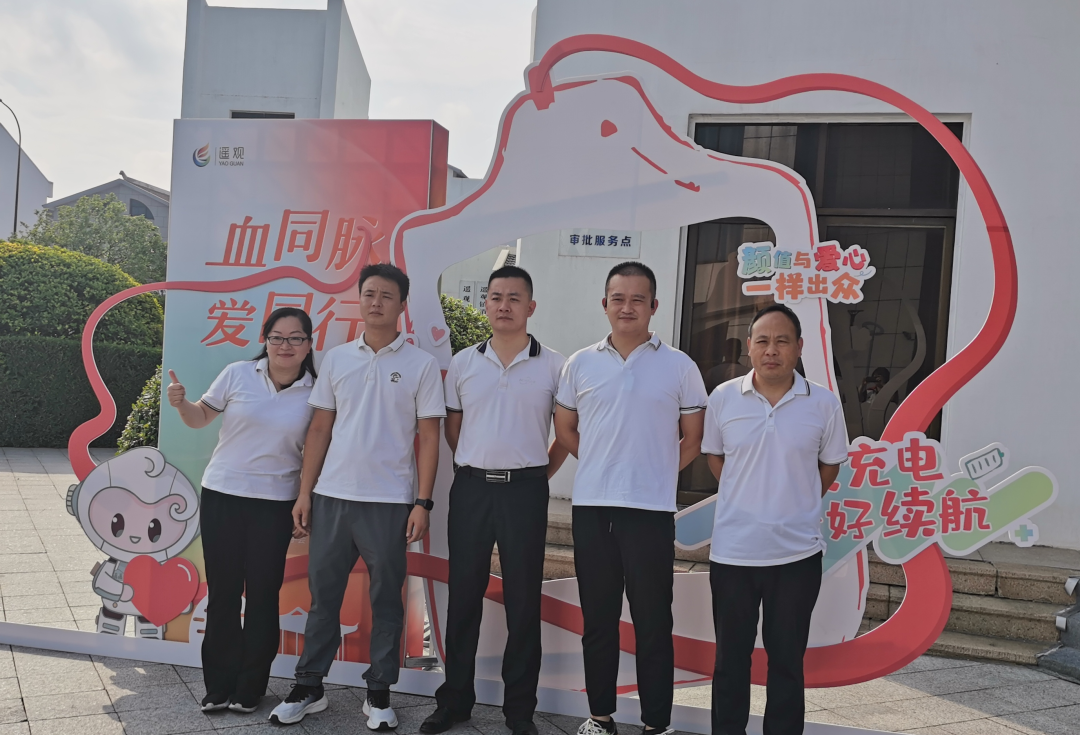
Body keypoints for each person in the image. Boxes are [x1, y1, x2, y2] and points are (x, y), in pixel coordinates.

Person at [269, 264, 445, 731]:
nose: (376, 302)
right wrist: (305, 493)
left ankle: (379, 692)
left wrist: (423, 502)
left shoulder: (421, 364)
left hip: (389, 502)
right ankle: (309, 687)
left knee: (386, 601)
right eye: (369, 294)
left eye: (386, 295)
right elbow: (320, 429)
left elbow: (430, 437)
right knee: (323, 599)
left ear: (402, 304)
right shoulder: (336, 358)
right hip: (331, 497)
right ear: (359, 300)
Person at [553, 261, 707, 735]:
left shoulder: (679, 366)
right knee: (598, 619)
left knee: (653, 622)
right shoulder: (580, 363)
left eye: (637, 299)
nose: (627, 307)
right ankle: (600, 717)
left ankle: (657, 723)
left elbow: (693, 438)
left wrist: (654, 473)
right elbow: (565, 427)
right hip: (593, 509)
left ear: (654, 306)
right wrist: (603, 463)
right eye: (618, 298)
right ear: (605, 304)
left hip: (650, 512)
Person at [421, 266, 568, 735]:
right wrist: (478, 464)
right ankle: (455, 701)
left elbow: (564, 434)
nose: (504, 305)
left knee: (524, 600)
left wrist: (536, 474)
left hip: (526, 491)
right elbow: (454, 428)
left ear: (531, 306)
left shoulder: (555, 365)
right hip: (472, 489)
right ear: (485, 303)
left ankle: (519, 710)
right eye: (496, 296)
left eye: (514, 298)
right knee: (464, 594)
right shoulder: (464, 362)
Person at [701, 303, 849, 735]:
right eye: (763, 341)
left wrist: (796, 499)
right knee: (730, 661)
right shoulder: (723, 397)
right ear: (749, 346)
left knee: (786, 662)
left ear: (799, 347)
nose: (771, 350)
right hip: (734, 554)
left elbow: (830, 465)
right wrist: (747, 494)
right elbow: (715, 457)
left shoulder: (823, 403)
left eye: (782, 341)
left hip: (796, 556)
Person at [166, 307, 317, 713]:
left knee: (264, 595)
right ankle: (218, 686)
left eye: (295, 338)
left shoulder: (316, 391)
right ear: (265, 339)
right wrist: (182, 404)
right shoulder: (237, 373)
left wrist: (306, 500)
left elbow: (317, 451)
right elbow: (200, 417)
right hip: (223, 495)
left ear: (309, 344)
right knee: (224, 592)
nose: (285, 345)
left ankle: (251, 687)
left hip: (276, 503)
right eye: (277, 337)